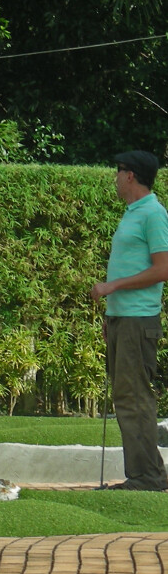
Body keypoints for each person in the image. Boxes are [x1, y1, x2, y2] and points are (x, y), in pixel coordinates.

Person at [91, 150, 168, 491]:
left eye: (118, 171)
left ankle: (146, 477)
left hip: (139, 321)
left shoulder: (153, 214)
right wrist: (113, 312)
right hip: (124, 319)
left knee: (134, 397)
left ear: (131, 175)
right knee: (127, 396)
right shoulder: (134, 213)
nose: (116, 178)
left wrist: (113, 287)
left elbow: (163, 268)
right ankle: (150, 472)